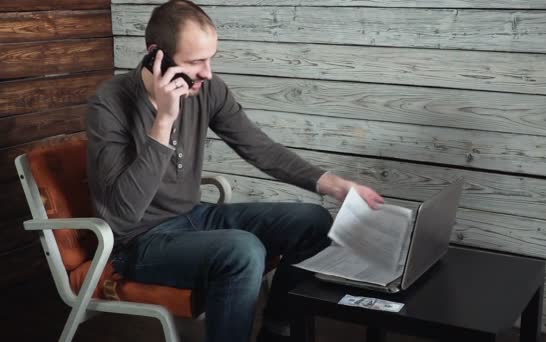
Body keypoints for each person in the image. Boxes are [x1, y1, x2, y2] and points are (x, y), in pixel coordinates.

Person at [86, 1, 384, 341]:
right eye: (196, 61)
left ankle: (276, 330)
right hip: (140, 242)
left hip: (192, 217)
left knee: (314, 221)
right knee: (242, 250)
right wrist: (163, 121)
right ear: (157, 56)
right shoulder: (108, 103)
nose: (208, 73)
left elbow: (258, 146)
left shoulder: (207, 90)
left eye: (210, 58)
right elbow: (123, 215)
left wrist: (333, 185)